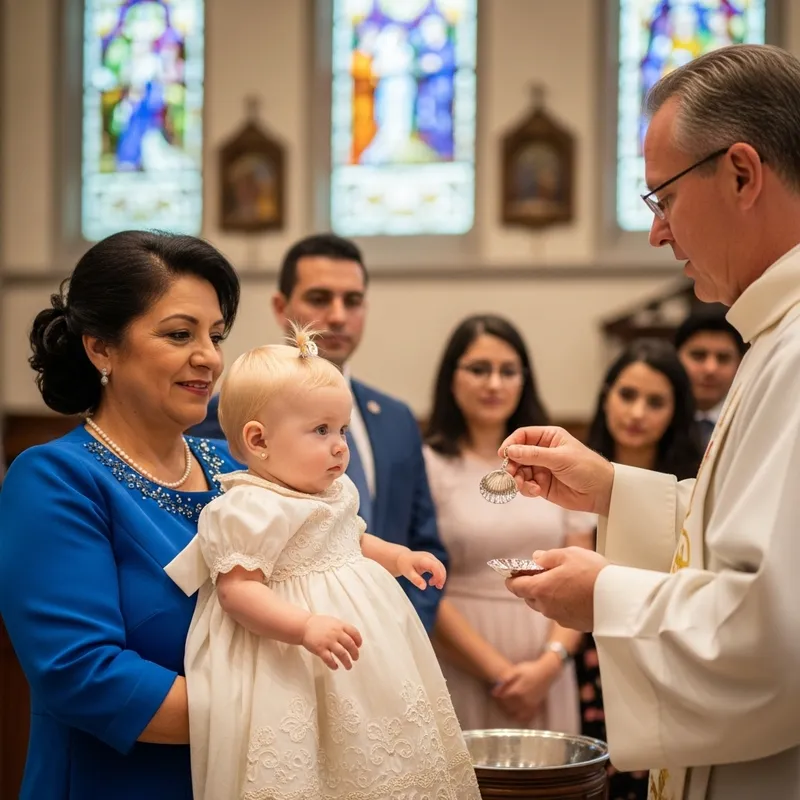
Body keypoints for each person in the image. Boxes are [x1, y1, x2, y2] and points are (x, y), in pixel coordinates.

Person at [500, 44, 800, 800]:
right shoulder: (775, 335)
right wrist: (610, 490)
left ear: (741, 174)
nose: (657, 234)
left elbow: (779, 631)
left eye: (661, 198)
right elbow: (747, 537)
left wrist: (604, 596)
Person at [166, 327, 481, 800]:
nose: (339, 446)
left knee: (374, 752)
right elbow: (238, 591)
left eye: (342, 430)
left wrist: (401, 557)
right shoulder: (249, 507)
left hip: (353, 655)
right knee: (311, 758)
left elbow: (352, 539)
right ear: (259, 440)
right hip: (287, 651)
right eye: (320, 430)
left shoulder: (332, 492)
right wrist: (305, 627)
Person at [0, 230, 241, 799]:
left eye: (216, 334)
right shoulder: (56, 479)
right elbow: (82, 674)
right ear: (100, 348)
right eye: (180, 334)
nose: (208, 356)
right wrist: (274, 713)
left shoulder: (238, 469)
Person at [192, 233, 447, 633]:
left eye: (353, 300)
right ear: (281, 306)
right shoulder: (212, 418)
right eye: (319, 298)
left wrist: (400, 630)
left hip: (381, 636)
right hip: (282, 639)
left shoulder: (397, 419)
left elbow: (421, 540)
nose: (339, 315)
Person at [423, 314, 593, 732]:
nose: (494, 384)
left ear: (525, 379)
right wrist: (499, 673)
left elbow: (582, 566)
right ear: (451, 376)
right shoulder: (427, 463)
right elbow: (422, 579)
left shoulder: (556, 460)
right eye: (479, 369)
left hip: (549, 660)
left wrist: (549, 665)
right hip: (460, 657)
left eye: (508, 371)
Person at [579, 338, 703, 800]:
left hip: (659, 649)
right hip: (582, 655)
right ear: (606, 394)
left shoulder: (696, 483)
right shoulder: (572, 469)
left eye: (655, 401)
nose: (637, 413)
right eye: (627, 395)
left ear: (678, 411)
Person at [674, 306, 746, 448]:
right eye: (698, 355)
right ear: (675, 357)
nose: (710, 369)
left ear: (740, 363)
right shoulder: (655, 421)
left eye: (723, 358)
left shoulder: (751, 421)